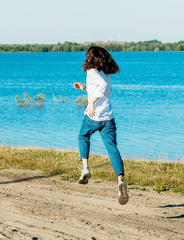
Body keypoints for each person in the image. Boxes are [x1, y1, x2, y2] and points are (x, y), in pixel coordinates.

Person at [73, 46, 129, 205]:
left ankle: (85, 169)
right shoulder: (106, 71)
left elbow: (102, 86)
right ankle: (120, 181)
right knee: (112, 148)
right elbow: (100, 88)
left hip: (94, 116)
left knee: (83, 136)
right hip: (108, 118)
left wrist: (91, 103)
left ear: (90, 58)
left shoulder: (92, 72)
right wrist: (83, 88)